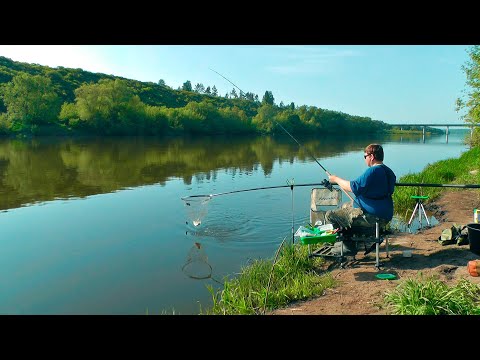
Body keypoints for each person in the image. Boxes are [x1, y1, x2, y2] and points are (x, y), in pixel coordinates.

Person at [325, 144, 396, 255]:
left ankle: (349, 246)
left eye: (365, 156)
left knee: (330, 215)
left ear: (371, 156)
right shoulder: (389, 172)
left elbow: (352, 187)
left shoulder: (373, 171)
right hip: (385, 214)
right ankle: (344, 241)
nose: (364, 159)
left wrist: (335, 179)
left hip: (373, 217)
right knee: (344, 206)